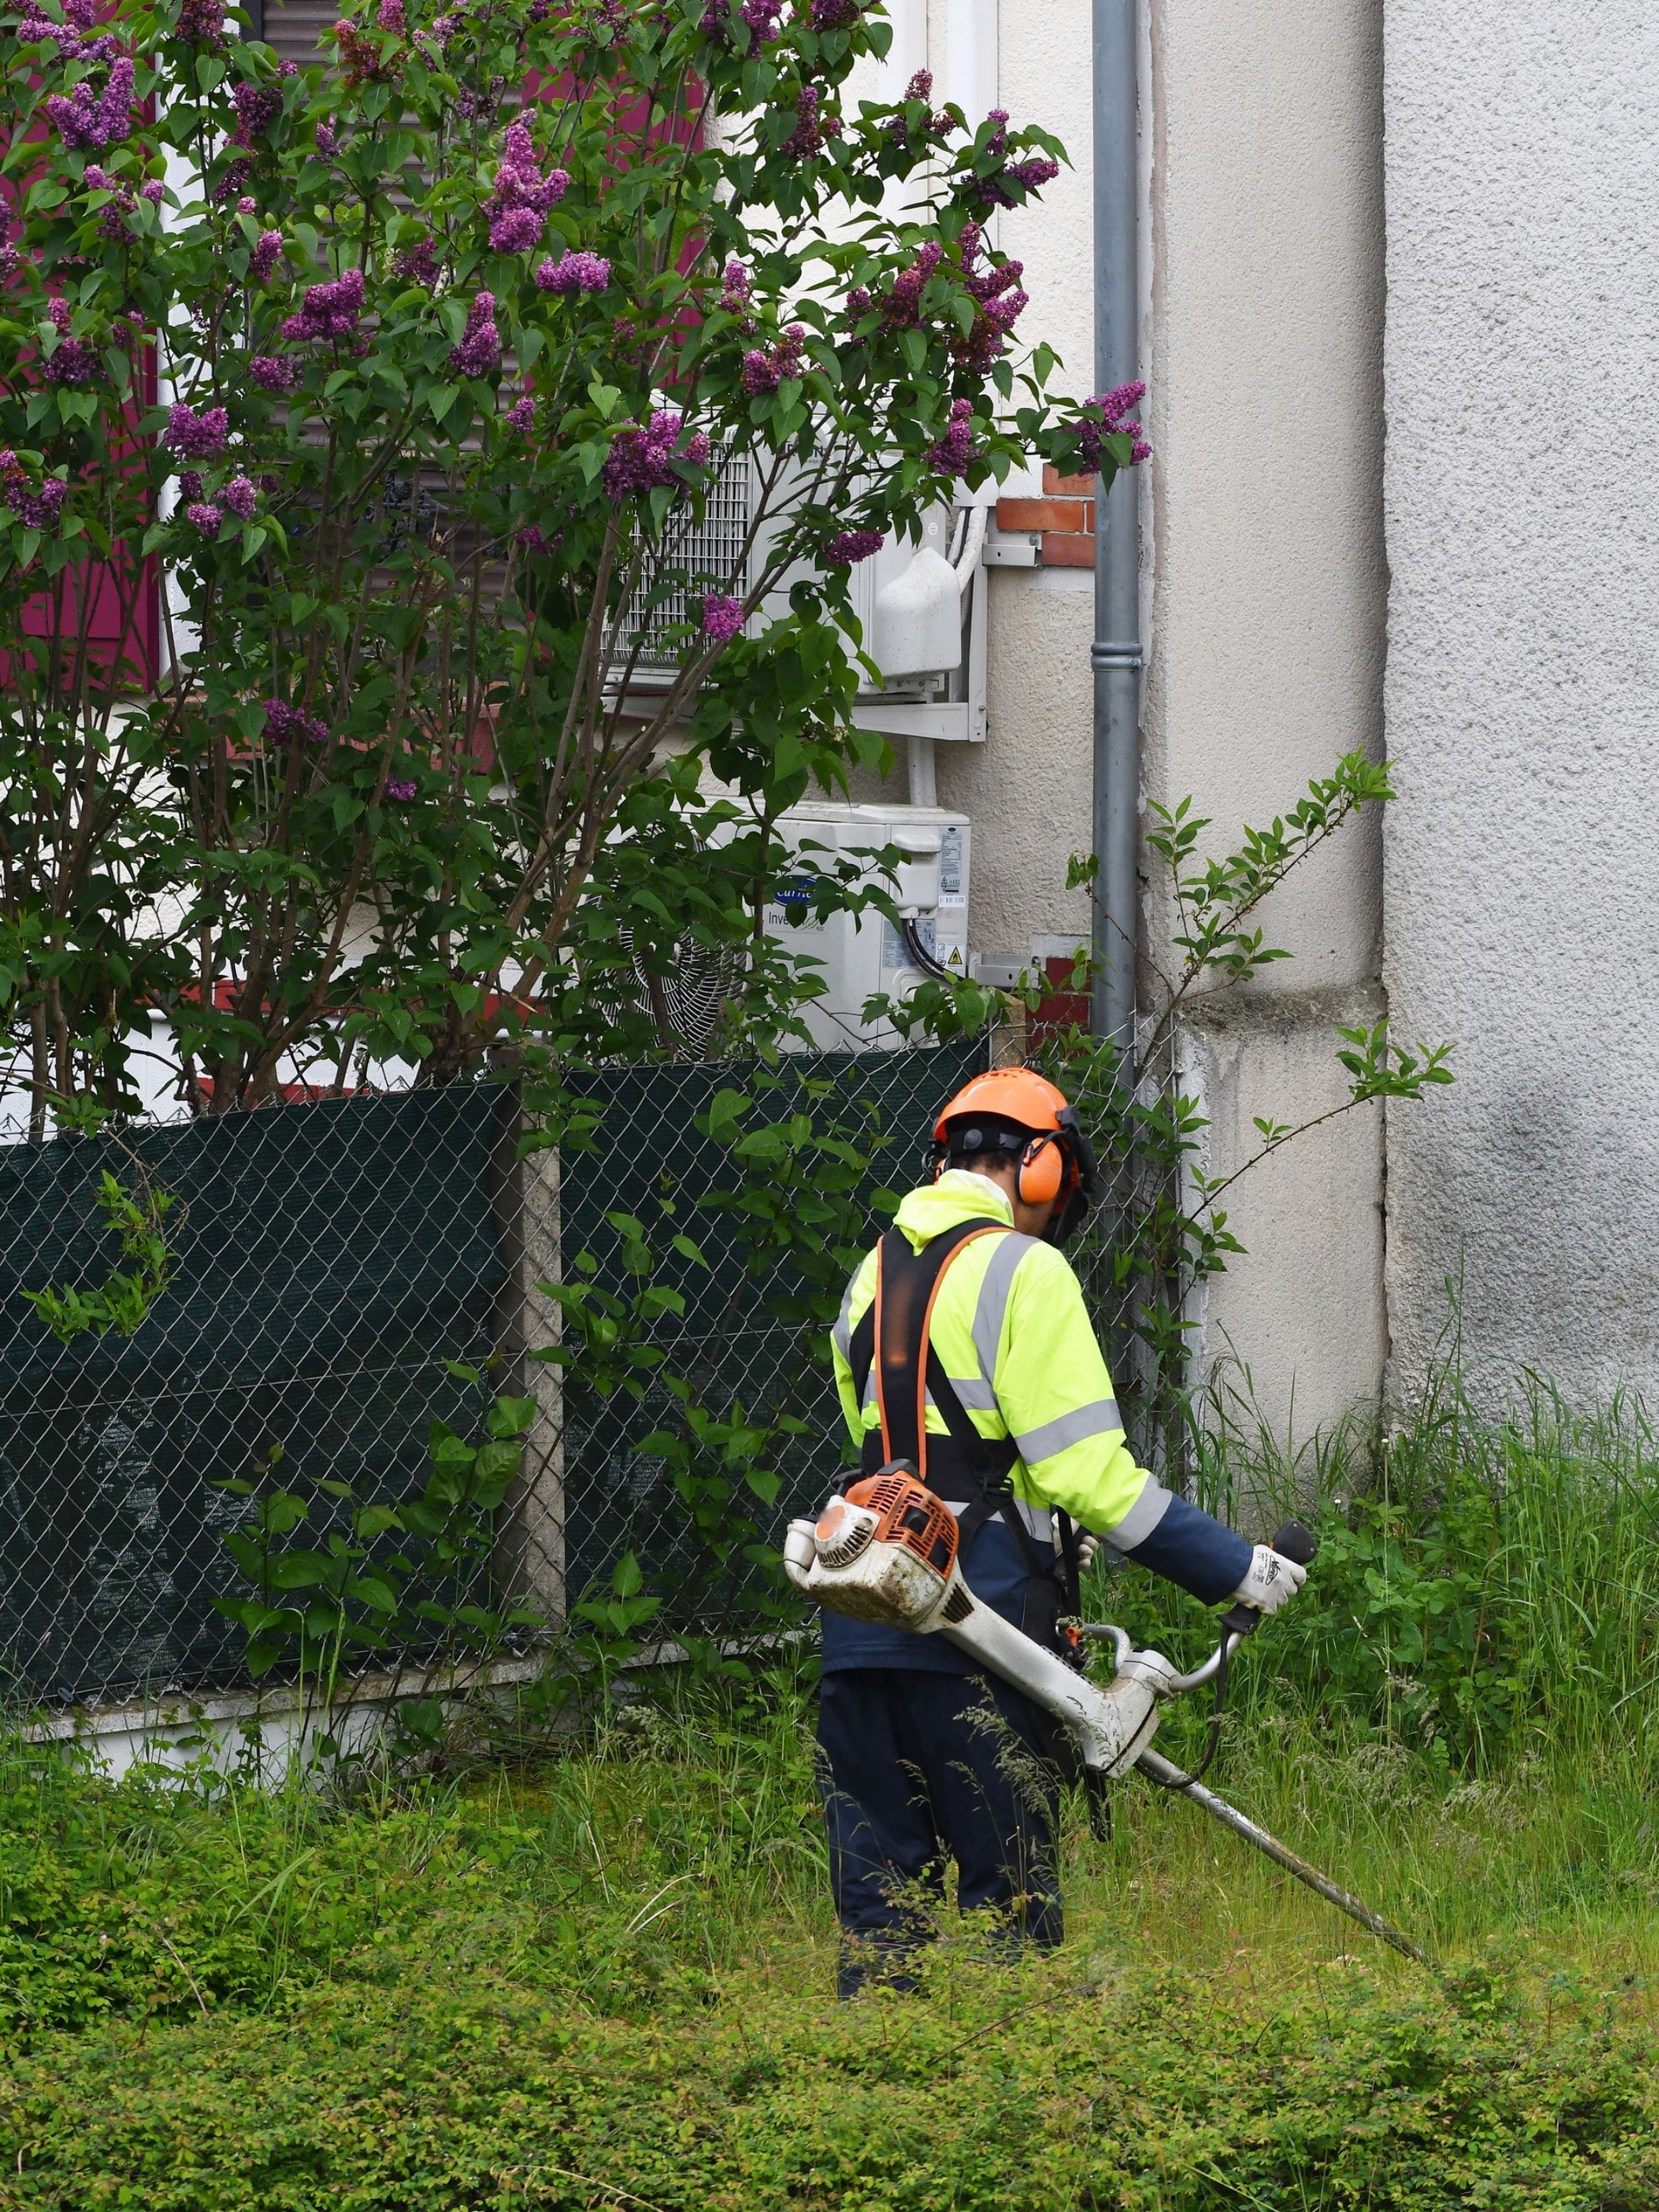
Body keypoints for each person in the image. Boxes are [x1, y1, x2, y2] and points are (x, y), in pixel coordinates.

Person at [817, 1066, 1308, 1996]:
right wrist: (1235, 1569)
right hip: (982, 1636)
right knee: (1010, 1915)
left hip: (860, 1622)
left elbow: (900, 1455)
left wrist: (1033, 1519)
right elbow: (1091, 1477)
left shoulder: (867, 1273)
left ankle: (873, 2100)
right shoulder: (1024, 1269)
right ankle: (1016, 2106)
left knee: (882, 1920)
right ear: (1038, 1167)